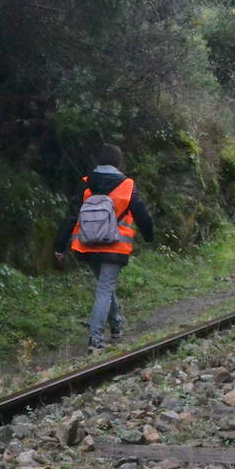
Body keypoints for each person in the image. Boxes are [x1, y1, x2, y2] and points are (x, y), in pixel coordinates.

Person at [54, 144, 155, 354]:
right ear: (118, 162)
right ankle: (96, 339)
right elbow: (142, 215)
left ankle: (116, 324)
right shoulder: (127, 185)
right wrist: (149, 236)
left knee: (104, 287)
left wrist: (60, 246)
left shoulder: (85, 184)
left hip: (87, 244)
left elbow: (72, 216)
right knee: (104, 289)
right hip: (115, 246)